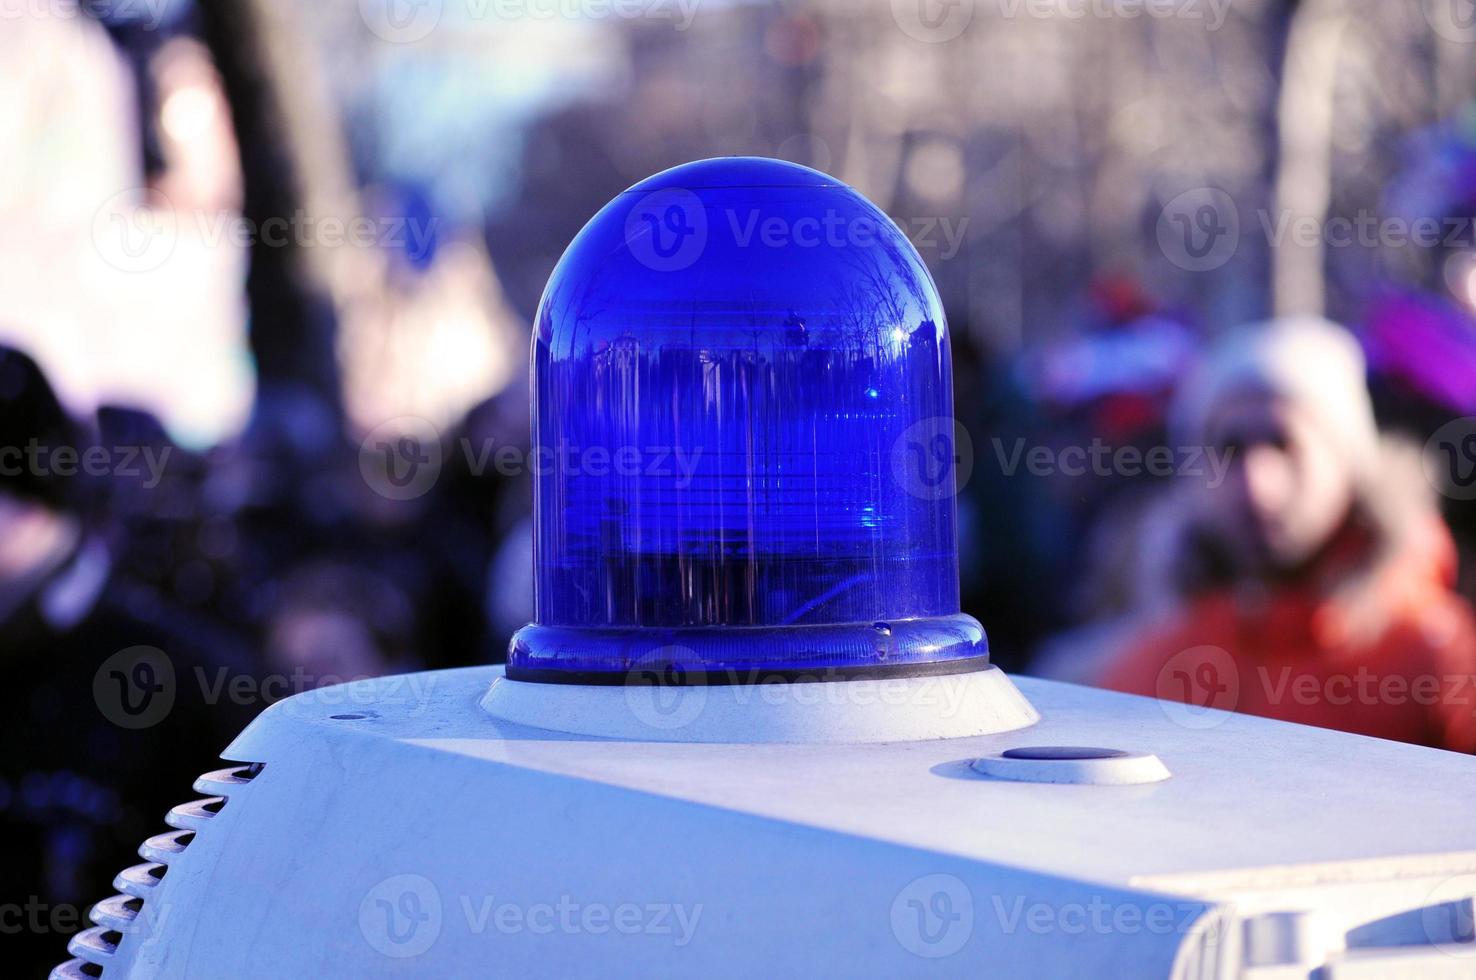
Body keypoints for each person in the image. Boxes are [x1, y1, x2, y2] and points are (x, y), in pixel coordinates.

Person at [1086, 316, 1476, 752]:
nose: (1258, 482)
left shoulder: (1436, 664)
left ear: (1349, 465)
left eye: (1285, 444)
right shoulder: (1143, 672)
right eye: (1229, 448)